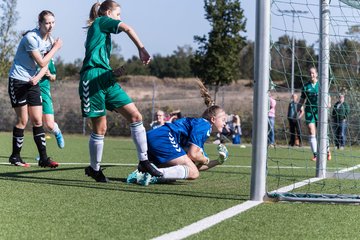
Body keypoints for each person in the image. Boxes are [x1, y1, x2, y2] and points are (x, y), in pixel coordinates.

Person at [79, 1, 162, 182]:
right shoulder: (101, 21)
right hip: (92, 79)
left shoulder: (101, 28)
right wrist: (142, 49)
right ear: (108, 13)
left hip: (106, 77)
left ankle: (144, 161)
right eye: (118, 15)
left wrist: (112, 72)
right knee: (101, 128)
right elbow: (127, 28)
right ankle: (94, 169)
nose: (119, 18)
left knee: (135, 116)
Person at [126, 80, 229, 186]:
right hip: (164, 137)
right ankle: (153, 174)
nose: (225, 123)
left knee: (180, 172)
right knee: (193, 173)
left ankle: (143, 172)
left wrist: (218, 161)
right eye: (223, 119)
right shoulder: (205, 125)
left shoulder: (200, 131)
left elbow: (196, 165)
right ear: (213, 119)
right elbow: (193, 156)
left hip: (155, 137)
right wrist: (206, 159)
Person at [8, 10, 62, 168]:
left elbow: (46, 65)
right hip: (18, 81)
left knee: (38, 120)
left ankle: (44, 159)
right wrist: (56, 48)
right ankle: (15, 157)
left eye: (52, 22)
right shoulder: (31, 38)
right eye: (47, 23)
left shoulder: (49, 39)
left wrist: (38, 78)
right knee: (23, 120)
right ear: (40, 24)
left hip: (33, 83)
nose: (50, 26)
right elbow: (42, 62)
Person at [298, 67, 331, 161]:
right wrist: (298, 108)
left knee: (322, 132)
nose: (311, 75)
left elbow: (328, 96)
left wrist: (328, 103)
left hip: (320, 111)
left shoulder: (321, 85)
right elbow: (302, 100)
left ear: (316, 74)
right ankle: (316, 154)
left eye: (313, 73)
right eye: (310, 73)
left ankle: (327, 151)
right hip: (309, 111)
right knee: (311, 130)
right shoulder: (306, 86)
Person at [38, 58, 65, 149]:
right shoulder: (31, 54)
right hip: (32, 92)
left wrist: (49, 74)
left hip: (44, 94)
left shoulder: (48, 59)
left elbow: (54, 77)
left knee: (49, 124)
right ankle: (42, 153)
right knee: (37, 123)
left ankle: (57, 132)